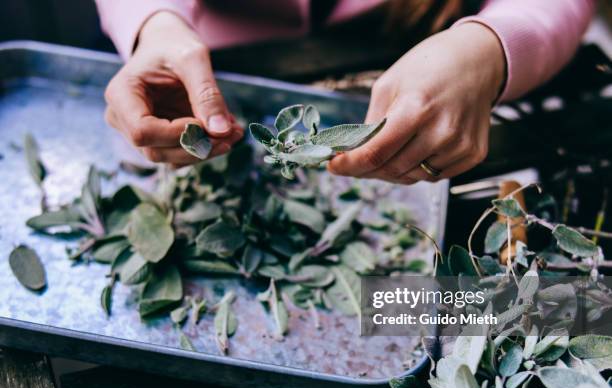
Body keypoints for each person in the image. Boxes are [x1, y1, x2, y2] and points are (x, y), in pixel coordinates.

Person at [96, 0, 595, 183]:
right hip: (208, 56)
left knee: (558, 308)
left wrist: (493, 48)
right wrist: (153, 24)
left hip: (424, 63)